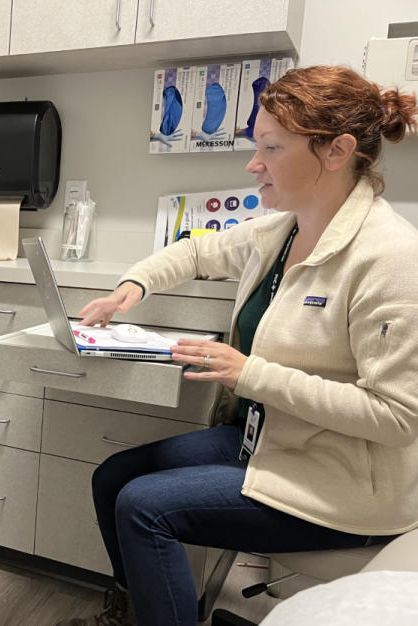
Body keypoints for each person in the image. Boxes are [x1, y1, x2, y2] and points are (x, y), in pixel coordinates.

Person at [73, 66, 418, 626]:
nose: (252, 164)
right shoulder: (282, 230)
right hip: (272, 441)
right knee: (112, 477)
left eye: (271, 148)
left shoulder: (392, 259)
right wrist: (129, 289)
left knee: (142, 507)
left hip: (343, 485)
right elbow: (194, 253)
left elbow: (397, 417)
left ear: (337, 151)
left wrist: (249, 374)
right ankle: (133, 611)